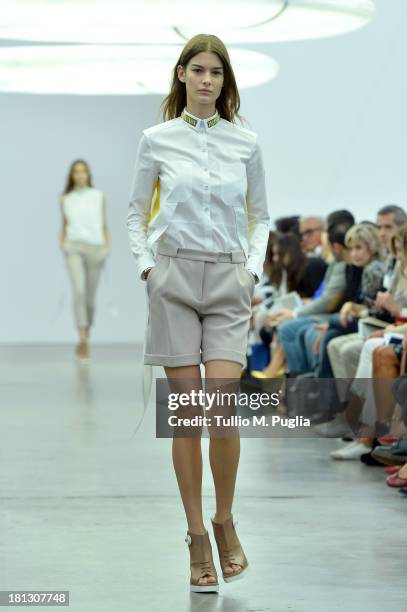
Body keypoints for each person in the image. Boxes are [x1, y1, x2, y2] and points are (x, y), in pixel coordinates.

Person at [127, 33, 270, 593]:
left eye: (217, 72)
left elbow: (260, 215)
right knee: (186, 417)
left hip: (230, 279)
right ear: (182, 75)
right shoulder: (155, 139)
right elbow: (138, 213)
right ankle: (196, 536)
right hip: (175, 279)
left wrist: (251, 269)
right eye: (198, 70)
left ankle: (224, 519)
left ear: (225, 81)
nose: (208, 79)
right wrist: (148, 268)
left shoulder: (246, 143)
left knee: (223, 410)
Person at [59, 159, 110, 361]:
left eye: (83, 171)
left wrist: (107, 246)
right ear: (71, 176)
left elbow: (103, 222)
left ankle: (86, 333)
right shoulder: (65, 199)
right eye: (76, 172)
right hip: (74, 247)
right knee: (79, 291)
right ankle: (83, 339)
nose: (80, 175)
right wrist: (62, 243)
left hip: (96, 248)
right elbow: (64, 223)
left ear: (88, 174)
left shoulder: (99, 197)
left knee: (89, 297)